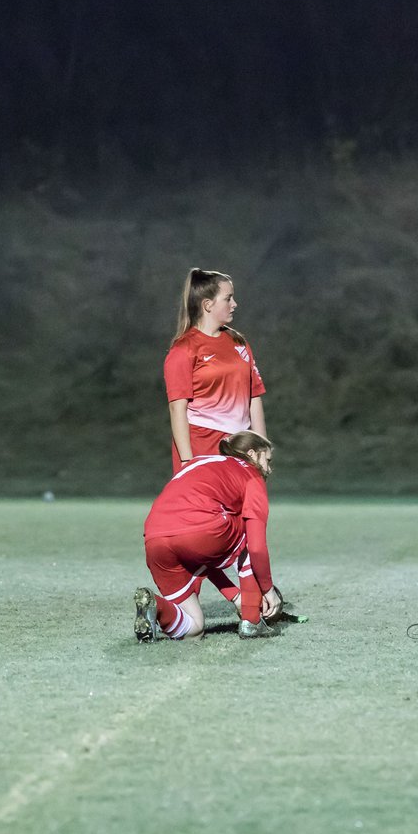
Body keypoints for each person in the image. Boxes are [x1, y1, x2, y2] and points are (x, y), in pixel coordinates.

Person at [135, 430, 283, 641]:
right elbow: (256, 547)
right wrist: (268, 591)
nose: (269, 468)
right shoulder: (252, 476)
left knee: (194, 628)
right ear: (252, 453)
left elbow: (205, 556)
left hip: (154, 536)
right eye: (267, 460)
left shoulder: (200, 461)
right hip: (201, 532)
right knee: (248, 529)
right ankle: (252, 621)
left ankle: (156, 606)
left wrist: (235, 596)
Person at [163, 268, 267, 474]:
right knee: (204, 507)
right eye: (228, 298)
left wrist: (262, 448)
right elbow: (177, 409)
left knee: (245, 507)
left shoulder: (239, 343)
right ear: (207, 305)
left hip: (241, 447)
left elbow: (253, 397)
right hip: (202, 447)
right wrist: (187, 461)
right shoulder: (184, 349)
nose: (234, 304)